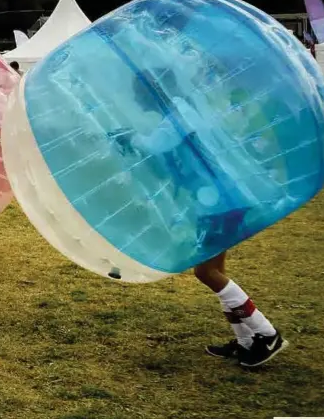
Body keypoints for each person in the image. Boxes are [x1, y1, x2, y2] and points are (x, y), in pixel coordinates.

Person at [111, 81, 287, 369]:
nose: (135, 100)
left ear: (150, 93)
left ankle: (266, 333)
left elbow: (156, 144)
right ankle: (246, 341)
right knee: (216, 271)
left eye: (137, 94)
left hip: (219, 203)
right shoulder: (180, 112)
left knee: (205, 272)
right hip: (218, 200)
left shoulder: (177, 117)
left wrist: (129, 137)